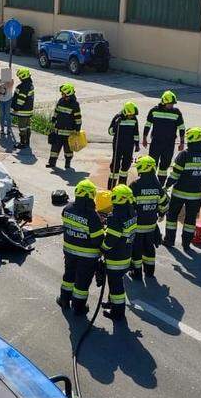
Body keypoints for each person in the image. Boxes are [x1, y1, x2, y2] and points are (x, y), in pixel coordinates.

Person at [58, 179, 105, 316]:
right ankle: (78, 308)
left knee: (69, 277)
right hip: (88, 256)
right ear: (92, 195)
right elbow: (97, 240)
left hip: (69, 252)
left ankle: (64, 300)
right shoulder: (92, 216)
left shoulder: (67, 209)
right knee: (82, 283)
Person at [163, 126, 201, 250]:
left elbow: (175, 174)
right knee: (190, 221)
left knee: (172, 217)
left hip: (179, 193)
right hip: (195, 195)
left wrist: (167, 185)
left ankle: (169, 241)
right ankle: (186, 244)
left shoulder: (184, 155)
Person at [101, 184, 138, 321]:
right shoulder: (131, 212)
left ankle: (117, 313)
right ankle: (111, 303)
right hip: (126, 254)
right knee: (115, 283)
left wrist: (102, 248)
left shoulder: (116, 216)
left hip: (116, 258)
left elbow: (111, 239)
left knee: (116, 287)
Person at [129, 156, 168, 280]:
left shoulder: (135, 185)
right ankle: (150, 272)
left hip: (137, 226)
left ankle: (136, 273)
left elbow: (129, 206)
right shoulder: (157, 186)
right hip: (151, 225)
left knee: (136, 250)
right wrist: (161, 214)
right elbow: (164, 203)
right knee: (149, 249)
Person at [143, 91, 186, 187]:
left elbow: (181, 128)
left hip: (169, 144)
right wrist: (144, 138)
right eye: (170, 103)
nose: (172, 105)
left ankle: (161, 187)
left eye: (173, 104)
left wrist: (182, 142)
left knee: (164, 166)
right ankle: (150, 184)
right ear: (164, 102)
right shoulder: (154, 111)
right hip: (156, 142)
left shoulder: (176, 112)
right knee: (152, 164)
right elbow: (148, 125)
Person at [47, 83, 81, 170]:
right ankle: (51, 163)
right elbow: (56, 111)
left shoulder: (75, 104)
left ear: (68, 94)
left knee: (68, 150)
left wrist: (77, 130)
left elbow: (78, 119)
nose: (62, 95)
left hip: (69, 132)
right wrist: (53, 119)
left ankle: (67, 163)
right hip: (58, 130)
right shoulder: (61, 101)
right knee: (55, 147)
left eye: (63, 94)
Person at [108, 101, 140, 188]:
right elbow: (110, 132)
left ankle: (122, 185)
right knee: (115, 166)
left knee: (125, 166)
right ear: (126, 112)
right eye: (131, 115)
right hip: (118, 144)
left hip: (129, 146)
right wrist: (116, 125)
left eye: (133, 115)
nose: (132, 117)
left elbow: (136, 133)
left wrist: (137, 144)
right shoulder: (117, 117)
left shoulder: (134, 119)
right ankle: (111, 187)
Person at [11, 68, 34, 150]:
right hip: (28, 111)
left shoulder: (22, 87)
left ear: (23, 77)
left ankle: (22, 143)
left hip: (22, 112)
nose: (19, 78)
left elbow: (21, 100)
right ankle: (27, 142)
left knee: (22, 127)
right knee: (27, 127)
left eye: (20, 77)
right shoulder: (30, 85)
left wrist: (15, 108)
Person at [0, 72, 14, 139]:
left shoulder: (11, 80)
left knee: (8, 114)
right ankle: (2, 129)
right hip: (0, 100)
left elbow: (9, 85)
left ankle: (8, 128)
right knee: (2, 114)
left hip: (8, 100)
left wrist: (2, 84)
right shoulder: (1, 79)